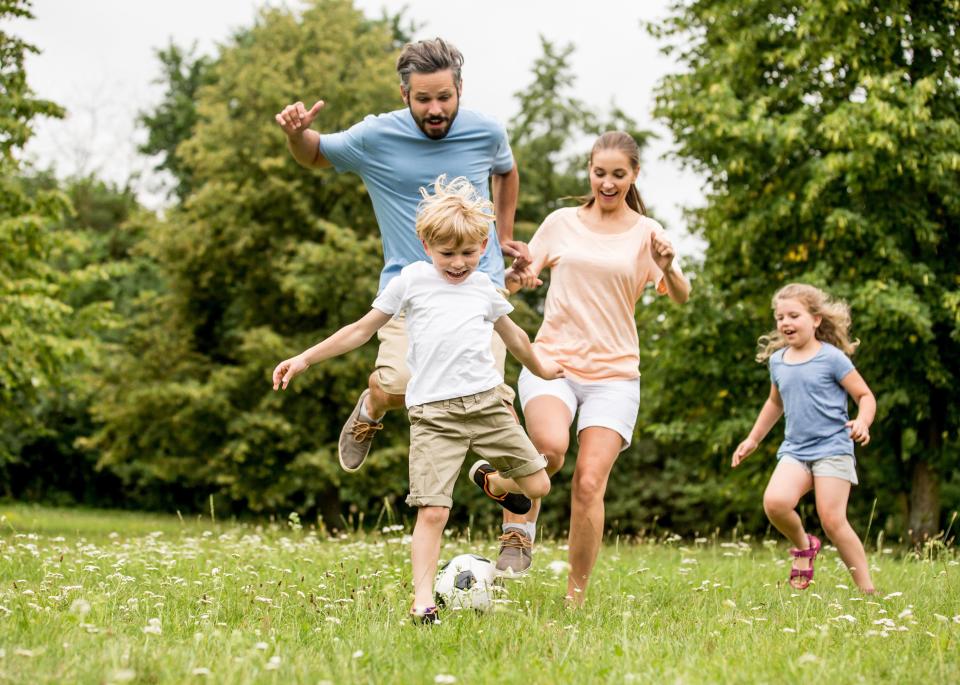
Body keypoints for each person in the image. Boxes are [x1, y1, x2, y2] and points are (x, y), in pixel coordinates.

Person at [271, 176, 562, 622]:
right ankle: (422, 600)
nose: (459, 263)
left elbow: (516, 337)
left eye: (468, 253)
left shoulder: (485, 288)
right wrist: (305, 358)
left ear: (483, 245)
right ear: (426, 244)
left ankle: (491, 480)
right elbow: (361, 330)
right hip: (434, 416)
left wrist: (544, 369)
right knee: (432, 511)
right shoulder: (412, 281)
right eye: (448, 254)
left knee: (538, 484)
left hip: (486, 407)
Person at [274, 38, 529, 474]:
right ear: (404, 94)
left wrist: (503, 235)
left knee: (497, 404)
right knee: (399, 386)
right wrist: (297, 134)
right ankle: (372, 404)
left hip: (479, 287)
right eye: (423, 98)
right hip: (409, 293)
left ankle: (517, 535)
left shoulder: (486, 131)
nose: (435, 109)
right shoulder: (376, 136)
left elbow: (505, 169)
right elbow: (314, 154)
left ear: (460, 90)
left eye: (444, 97)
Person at [503, 131, 690, 601]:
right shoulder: (562, 222)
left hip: (616, 376)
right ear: (589, 170)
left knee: (589, 482)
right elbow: (519, 277)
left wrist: (666, 267)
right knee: (549, 446)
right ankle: (518, 530)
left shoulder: (648, 234)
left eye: (618, 175)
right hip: (554, 362)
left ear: (634, 175)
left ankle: (576, 596)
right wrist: (519, 277)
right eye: (599, 172)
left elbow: (682, 294)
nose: (607, 183)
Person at [732, 283, 876, 593]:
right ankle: (803, 545)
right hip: (796, 449)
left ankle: (868, 591)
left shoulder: (832, 359)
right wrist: (753, 439)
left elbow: (865, 395)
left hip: (833, 447)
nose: (785, 323)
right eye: (780, 317)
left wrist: (863, 421)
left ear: (816, 320)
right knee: (775, 502)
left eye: (793, 315)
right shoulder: (778, 362)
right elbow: (775, 403)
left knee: (832, 520)